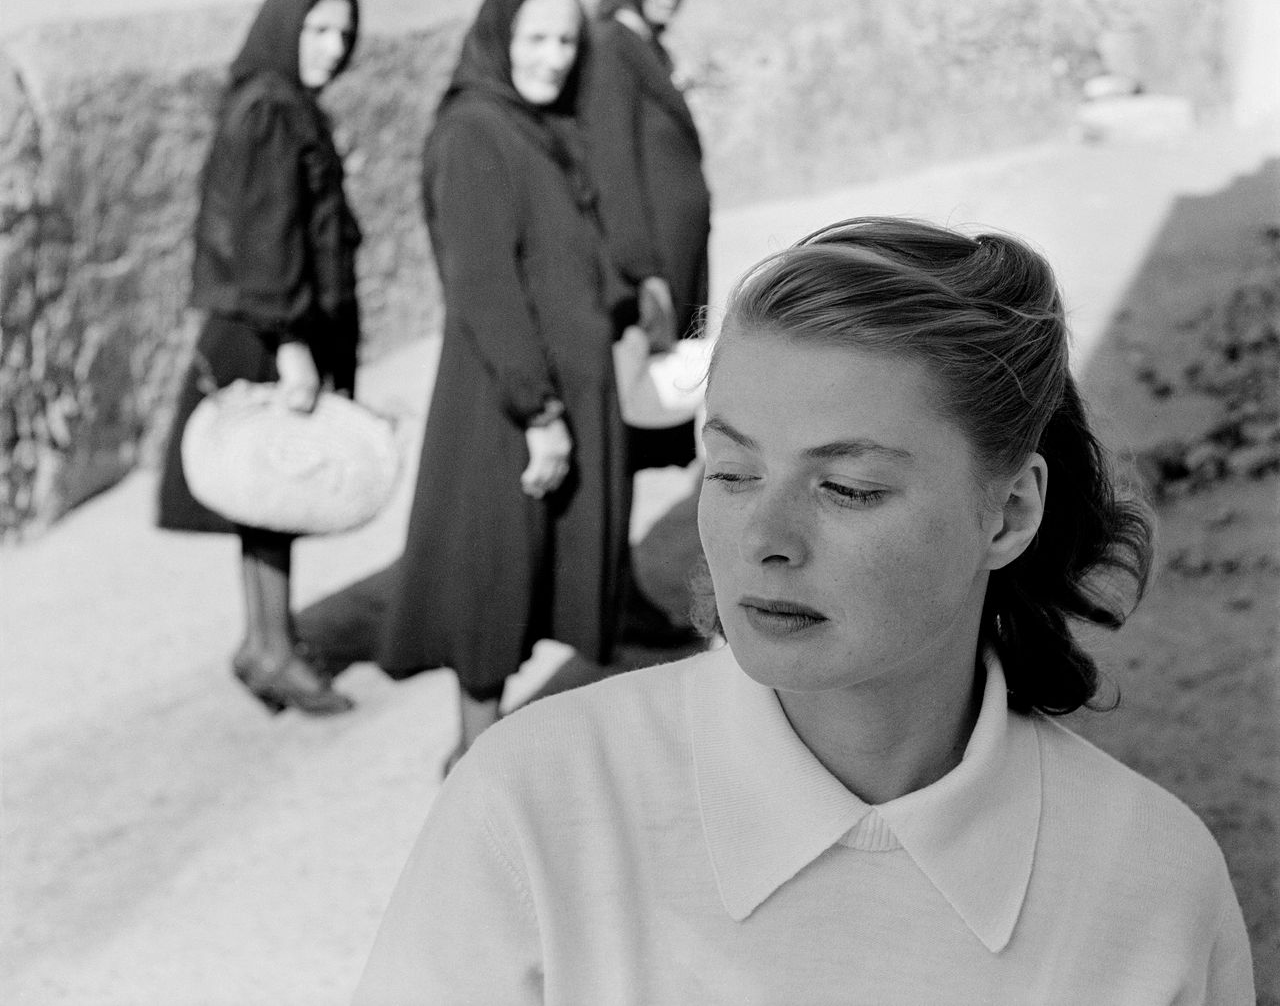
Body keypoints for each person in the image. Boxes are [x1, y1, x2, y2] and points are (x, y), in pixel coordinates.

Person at [352, 216, 1255, 1004]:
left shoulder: (1152, 881)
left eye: (848, 487)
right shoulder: (535, 809)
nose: (763, 535)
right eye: (733, 471)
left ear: (1009, 512)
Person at [376, 0, 633, 772]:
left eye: (566, 41)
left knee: (537, 561)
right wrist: (540, 411)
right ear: (499, 39)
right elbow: (482, 280)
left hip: (561, 379)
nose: (554, 58)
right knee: (493, 562)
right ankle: (475, 752)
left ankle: (494, 747)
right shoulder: (474, 131)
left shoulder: (542, 127)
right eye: (535, 39)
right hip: (508, 394)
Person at [156, 0, 362, 717]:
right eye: (318, 31)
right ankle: (272, 649)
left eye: (343, 34)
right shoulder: (274, 111)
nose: (334, 49)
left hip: (268, 323)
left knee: (266, 494)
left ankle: (262, 642)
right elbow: (267, 238)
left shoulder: (270, 102)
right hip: (270, 328)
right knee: (275, 490)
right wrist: (292, 345)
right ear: (284, 30)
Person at [579, 0, 710, 471]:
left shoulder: (648, 46)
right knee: (624, 415)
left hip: (672, 264)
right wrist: (645, 274)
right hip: (647, 274)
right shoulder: (613, 47)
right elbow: (614, 169)